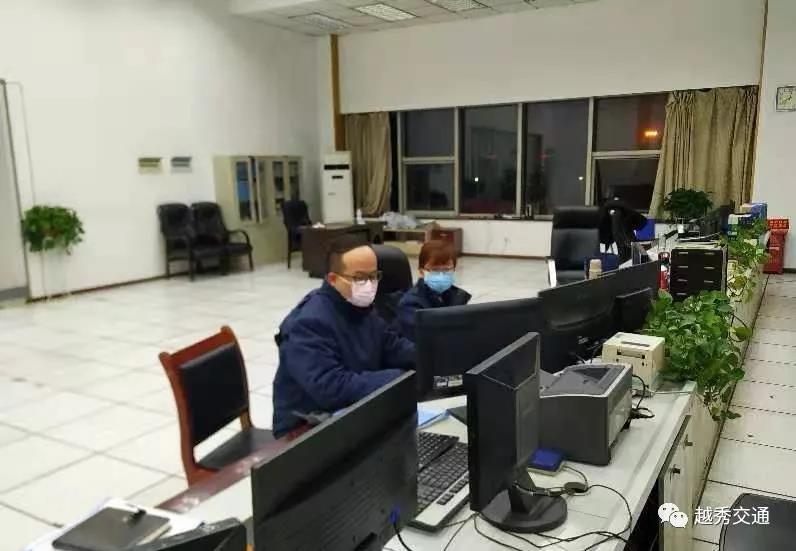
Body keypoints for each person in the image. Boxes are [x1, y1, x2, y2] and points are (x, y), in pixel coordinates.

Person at [272, 235, 415, 438]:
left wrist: (429, 355)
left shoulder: (359, 307)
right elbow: (332, 388)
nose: (370, 285)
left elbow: (391, 345)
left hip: (353, 408)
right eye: (360, 278)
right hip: (306, 427)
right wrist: (399, 377)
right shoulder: (308, 324)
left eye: (374, 276)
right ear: (333, 279)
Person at [396, 240, 471, 342]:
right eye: (435, 270)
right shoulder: (410, 303)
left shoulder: (458, 296)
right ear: (421, 271)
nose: (441, 274)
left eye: (447, 269)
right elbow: (421, 340)